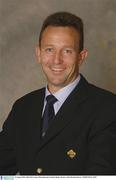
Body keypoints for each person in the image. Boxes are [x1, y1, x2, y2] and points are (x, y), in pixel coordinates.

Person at [0, 11, 116, 175]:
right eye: (49, 49)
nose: (56, 60)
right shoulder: (22, 107)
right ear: (38, 54)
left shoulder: (107, 108)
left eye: (67, 51)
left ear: (81, 57)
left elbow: (101, 176)